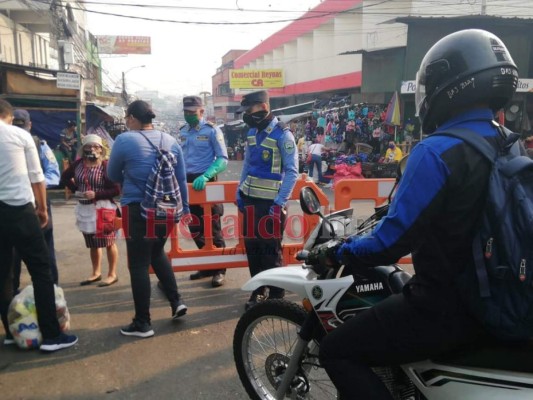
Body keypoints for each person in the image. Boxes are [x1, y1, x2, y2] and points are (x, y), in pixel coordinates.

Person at [318, 29, 519, 399]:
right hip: (504, 297)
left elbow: (388, 244)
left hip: (448, 308)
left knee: (337, 350)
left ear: (446, 85)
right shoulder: (508, 141)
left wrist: (337, 251)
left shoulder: (436, 151)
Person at [107, 100, 190, 338]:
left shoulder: (124, 140)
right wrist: (184, 210)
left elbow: (112, 174)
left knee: (139, 264)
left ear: (132, 117)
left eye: (126, 117)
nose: (125, 121)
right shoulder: (171, 141)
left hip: (139, 210)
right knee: (156, 253)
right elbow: (181, 179)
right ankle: (176, 301)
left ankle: (143, 323)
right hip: (168, 210)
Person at [0, 99, 78, 351]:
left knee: (4, 274)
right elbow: (36, 176)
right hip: (20, 210)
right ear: (9, 117)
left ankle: (11, 332)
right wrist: (42, 209)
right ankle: (52, 336)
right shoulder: (20, 137)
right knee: (41, 270)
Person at [235, 90, 298, 310]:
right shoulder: (252, 132)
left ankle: (277, 294)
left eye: (249, 109)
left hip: (271, 205)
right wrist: (239, 190)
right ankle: (259, 289)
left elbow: (292, 172)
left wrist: (279, 202)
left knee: (270, 251)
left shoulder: (283, 135)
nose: (246, 115)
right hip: (250, 202)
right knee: (253, 248)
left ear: (263, 107)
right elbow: (247, 164)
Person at [180, 95, 228, 287]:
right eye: (186, 112)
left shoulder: (212, 131)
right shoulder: (183, 131)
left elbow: (223, 159)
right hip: (188, 182)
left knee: (213, 226)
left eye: (192, 112)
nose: (189, 115)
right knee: (194, 227)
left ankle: (220, 269)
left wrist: (207, 175)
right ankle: (208, 265)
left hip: (207, 180)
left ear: (201, 111)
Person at [60, 134, 120, 287]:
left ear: (101, 149)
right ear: (84, 148)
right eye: (89, 146)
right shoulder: (78, 164)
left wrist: (97, 194)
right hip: (85, 208)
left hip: (103, 209)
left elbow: (116, 189)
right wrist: (75, 189)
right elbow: (65, 177)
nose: (92, 149)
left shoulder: (106, 166)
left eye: (96, 146)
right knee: (92, 243)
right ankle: (96, 272)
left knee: (108, 242)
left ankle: (112, 274)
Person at [12, 109, 60, 291]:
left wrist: (33, 187)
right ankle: (12, 295)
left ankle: (52, 292)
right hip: (14, 204)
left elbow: (53, 174)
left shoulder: (40, 145)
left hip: (37, 201)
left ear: (29, 125)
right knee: (11, 254)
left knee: (45, 251)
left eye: (22, 126)